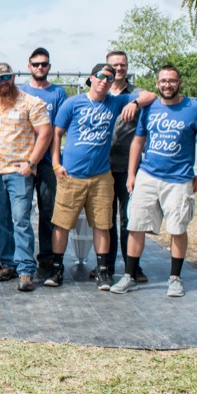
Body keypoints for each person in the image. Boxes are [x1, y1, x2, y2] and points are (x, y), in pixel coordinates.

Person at [45, 63, 157, 290]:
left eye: (109, 78)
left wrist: (134, 103)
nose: (104, 81)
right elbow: (56, 134)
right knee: (62, 224)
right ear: (91, 78)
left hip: (101, 177)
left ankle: (103, 271)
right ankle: (57, 269)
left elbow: (151, 95)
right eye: (100, 76)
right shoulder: (73, 103)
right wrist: (56, 164)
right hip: (72, 175)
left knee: (102, 224)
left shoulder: (115, 102)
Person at [111, 65, 197, 297]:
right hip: (148, 175)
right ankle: (129, 276)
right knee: (135, 225)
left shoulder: (194, 109)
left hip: (179, 179)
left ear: (179, 83)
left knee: (177, 228)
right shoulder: (150, 107)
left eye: (172, 81)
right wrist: (132, 174)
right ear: (157, 84)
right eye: (163, 81)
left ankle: (175, 278)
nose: (167, 85)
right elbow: (138, 141)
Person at [0, 63, 51, 292]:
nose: (3, 82)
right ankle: (8, 263)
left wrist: (32, 162)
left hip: (20, 173)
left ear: (14, 77)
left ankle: (26, 269)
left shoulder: (31, 102)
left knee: (20, 220)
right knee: (0, 220)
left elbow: (45, 133)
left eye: (6, 77)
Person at [18, 47, 67, 274]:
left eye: (44, 64)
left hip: (47, 161)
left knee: (48, 210)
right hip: (23, 161)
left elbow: (57, 131)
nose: (40, 67)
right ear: (29, 66)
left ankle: (47, 255)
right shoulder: (20, 91)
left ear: (49, 66)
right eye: (36, 64)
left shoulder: (58, 93)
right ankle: (20, 257)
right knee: (21, 212)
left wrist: (56, 162)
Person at [102, 50, 147, 282]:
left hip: (129, 168)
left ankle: (132, 267)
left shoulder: (135, 93)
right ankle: (107, 266)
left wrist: (135, 103)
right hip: (103, 167)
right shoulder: (102, 91)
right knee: (106, 219)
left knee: (130, 219)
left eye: (123, 64)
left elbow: (152, 95)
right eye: (115, 65)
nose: (119, 68)